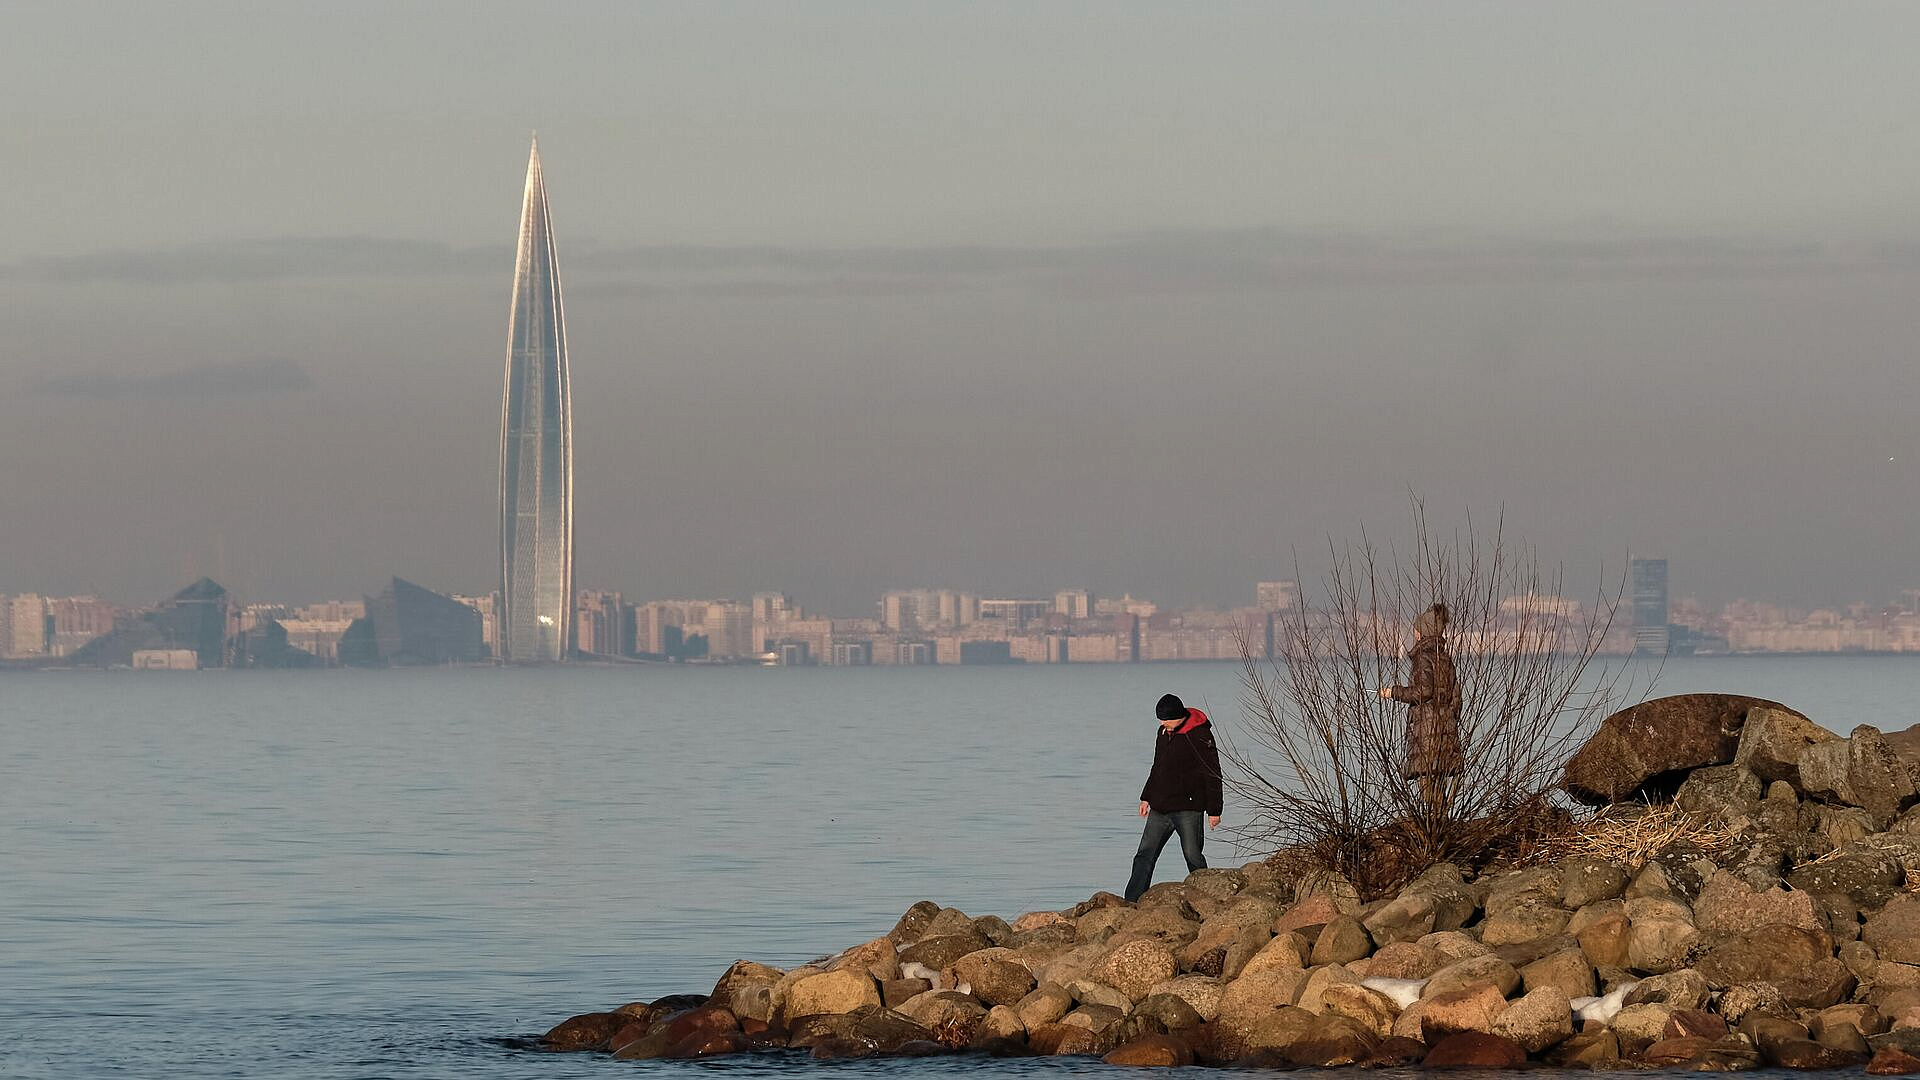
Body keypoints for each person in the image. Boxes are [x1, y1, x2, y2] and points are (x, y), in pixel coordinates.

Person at [1124, 693, 1223, 902]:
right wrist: (1146, 797)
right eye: (1160, 719)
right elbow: (1157, 766)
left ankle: (1207, 899)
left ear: (1179, 716)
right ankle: (1132, 901)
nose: (1162, 724)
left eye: (1166, 720)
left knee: (1193, 856)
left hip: (1189, 807)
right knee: (1144, 855)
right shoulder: (1163, 732)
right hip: (1160, 807)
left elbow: (1212, 772)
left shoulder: (1199, 734)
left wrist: (1214, 811)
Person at [1378, 602, 1464, 816]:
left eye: (1416, 629)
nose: (1414, 633)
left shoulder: (1423, 658)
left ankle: (1437, 827)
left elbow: (1423, 691)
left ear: (1423, 632)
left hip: (1427, 733)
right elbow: (1456, 698)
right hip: (1445, 733)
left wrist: (1393, 692)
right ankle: (1441, 824)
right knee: (1438, 787)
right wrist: (1448, 720)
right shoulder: (1445, 659)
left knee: (1428, 789)